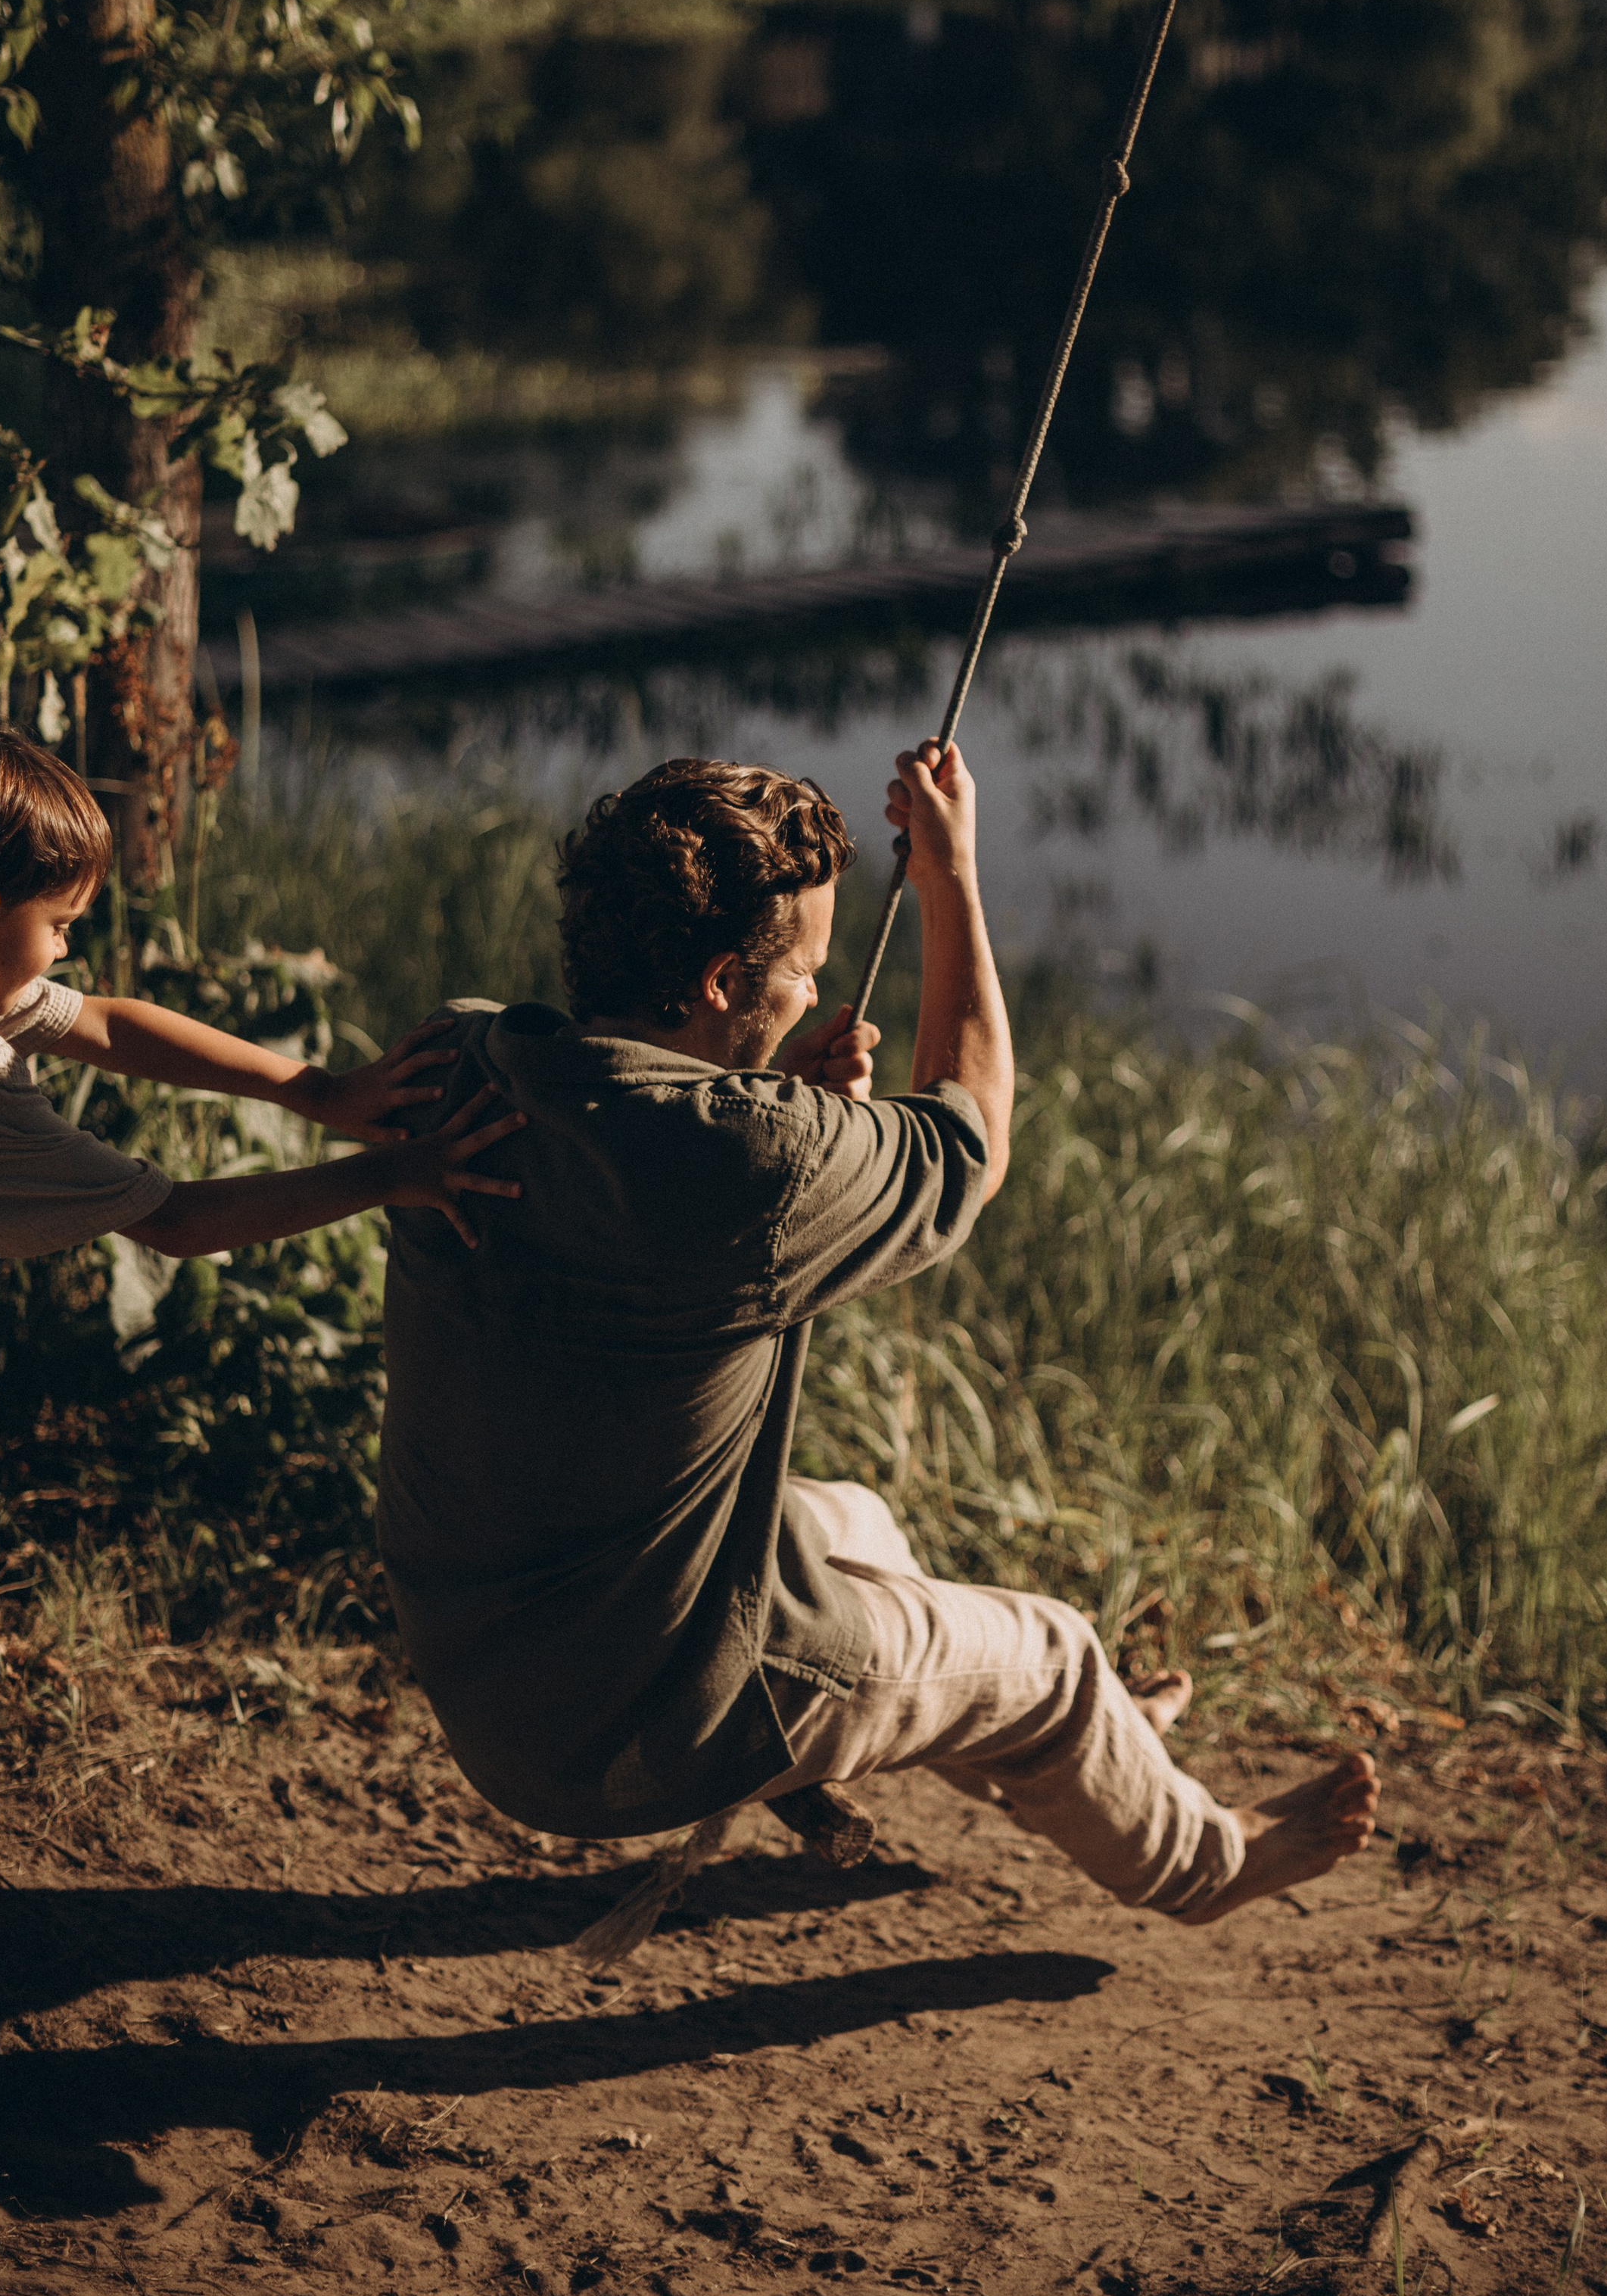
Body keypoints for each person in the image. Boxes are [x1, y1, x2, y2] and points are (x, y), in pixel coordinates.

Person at [378, 737, 1378, 1938]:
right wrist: (951, 878)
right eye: (802, 971)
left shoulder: (460, 1062)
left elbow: (647, 1170)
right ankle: (1210, 1857)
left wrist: (777, 1100)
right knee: (1057, 1656)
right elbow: (973, 1140)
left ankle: (1073, 1748)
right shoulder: (756, 1162)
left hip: (481, 1670)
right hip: (636, 1729)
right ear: (719, 981)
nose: (812, 994)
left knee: (853, 1523)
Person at [0, 721, 522, 2061]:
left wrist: (327, 1092)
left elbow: (106, 1022)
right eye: (63, 923)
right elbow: (170, 1222)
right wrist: (393, 1177)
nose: (67, 952)